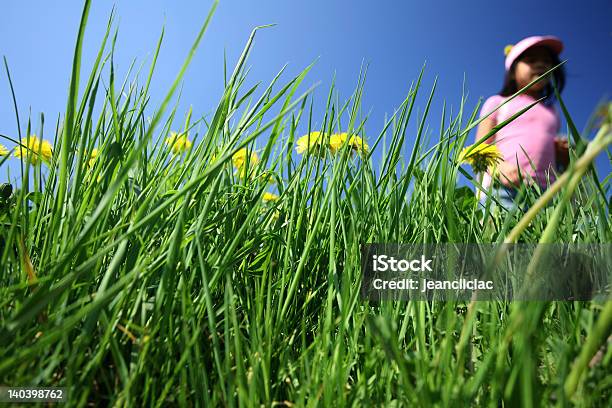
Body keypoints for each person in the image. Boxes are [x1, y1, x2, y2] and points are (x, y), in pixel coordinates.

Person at [475, 35, 570, 211]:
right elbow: (479, 149)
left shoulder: (553, 113)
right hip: (502, 188)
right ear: (512, 69)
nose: (541, 65)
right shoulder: (498, 102)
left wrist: (562, 155)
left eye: (547, 62)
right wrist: (499, 167)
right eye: (531, 60)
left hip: (546, 194)